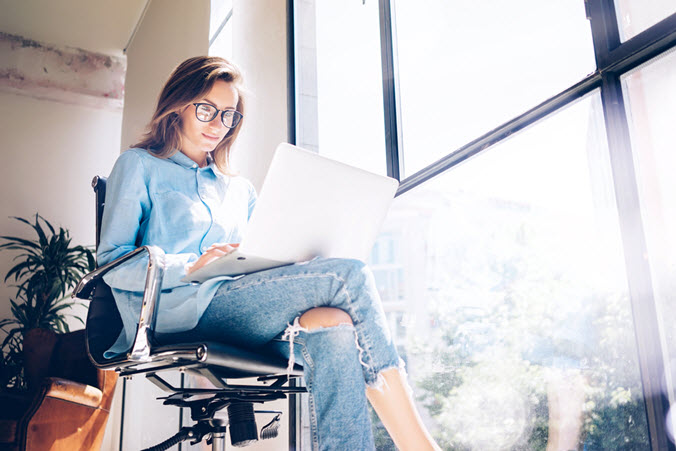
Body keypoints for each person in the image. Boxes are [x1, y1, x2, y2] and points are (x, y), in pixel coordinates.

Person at [98, 56, 440, 451]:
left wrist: (290, 262)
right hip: (176, 313)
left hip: (238, 310)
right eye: (206, 109)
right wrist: (190, 266)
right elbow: (112, 262)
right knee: (349, 275)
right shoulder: (139, 166)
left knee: (333, 323)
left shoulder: (237, 189)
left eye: (228, 116)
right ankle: (419, 445)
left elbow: (255, 257)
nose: (216, 125)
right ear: (178, 104)